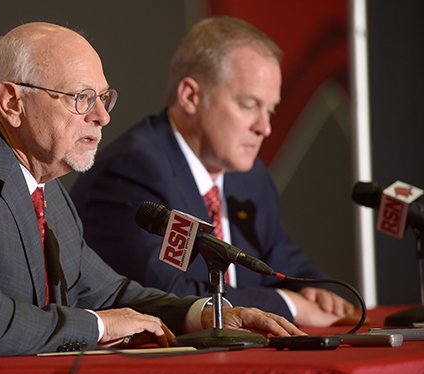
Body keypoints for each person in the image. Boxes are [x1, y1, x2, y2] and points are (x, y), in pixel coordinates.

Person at [0, 22, 304, 367]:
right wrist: (102, 326)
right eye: (83, 98)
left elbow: (110, 291)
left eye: (105, 98)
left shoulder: (47, 190)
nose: (102, 116)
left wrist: (210, 314)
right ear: (11, 102)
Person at [70, 16, 355, 327]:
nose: (265, 127)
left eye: (270, 110)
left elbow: (281, 257)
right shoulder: (132, 172)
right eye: (249, 105)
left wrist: (318, 289)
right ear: (191, 97)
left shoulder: (250, 177)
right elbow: (168, 294)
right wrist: (290, 305)